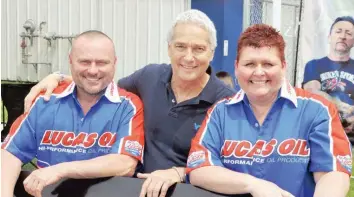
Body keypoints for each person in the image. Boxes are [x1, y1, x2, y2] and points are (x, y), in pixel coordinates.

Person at [22, 10, 235, 197]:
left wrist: (178, 173)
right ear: (169, 48)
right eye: (180, 46)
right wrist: (58, 78)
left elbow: (228, 165)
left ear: (212, 53)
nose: (188, 57)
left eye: (198, 48)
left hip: (189, 191)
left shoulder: (225, 101)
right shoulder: (149, 77)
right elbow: (103, 83)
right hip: (133, 189)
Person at [186, 24, 352, 197]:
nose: (259, 72)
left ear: (283, 66)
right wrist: (253, 185)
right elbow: (199, 169)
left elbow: (333, 173)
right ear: (236, 67)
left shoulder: (317, 110)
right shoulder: (220, 113)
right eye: (249, 64)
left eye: (268, 64)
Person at [1, 30, 145, 197]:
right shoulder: (45, 101)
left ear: (114, 63)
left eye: (102, 63)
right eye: (84, 62)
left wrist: (60, 170)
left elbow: (125, 164)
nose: (93, 70)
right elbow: (10, 152)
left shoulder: (128, 105)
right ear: (70, 62)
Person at [303, 16, 354, 141]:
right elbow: (312, 92)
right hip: (320, 131)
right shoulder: (313, 65)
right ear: (329, 37)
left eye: (349, 33)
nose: (343, 36)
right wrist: (338, 105)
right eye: (338, 31)